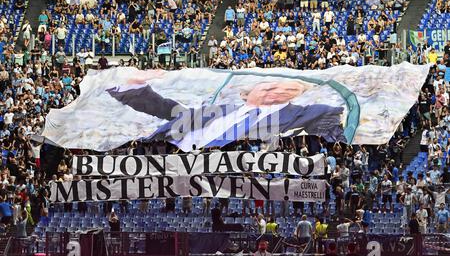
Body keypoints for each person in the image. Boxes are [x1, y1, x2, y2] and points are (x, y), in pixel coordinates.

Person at [107, 79, 347, 152]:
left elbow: (335, 119)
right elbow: (165, 108)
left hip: (213, 164)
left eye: (288, 92)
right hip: (169, 150)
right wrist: (129, 89)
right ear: (246, 93)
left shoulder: (295, 114)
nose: (278, 93)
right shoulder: (220, 110)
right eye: (270, 88)